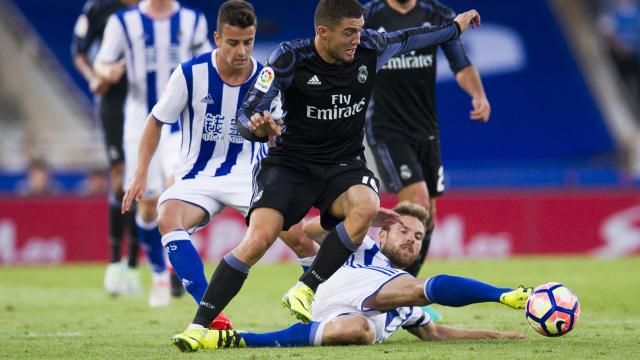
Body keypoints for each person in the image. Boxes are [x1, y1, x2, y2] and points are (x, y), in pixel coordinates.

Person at [170, 0, 482, 350]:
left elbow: (414, 37)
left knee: (366, 205)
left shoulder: (370, 48)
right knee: (259, 240)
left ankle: (306, 288)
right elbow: (248, 113)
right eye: (349, 32)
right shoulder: (290, 59)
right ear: (323, 32)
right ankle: (199, 327)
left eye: (360, 30)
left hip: (342, 165)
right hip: (292, 165)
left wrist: (454, 27)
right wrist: (256, 127)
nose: (356, 39)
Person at [122, 0, 318, 330]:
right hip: (198, 175)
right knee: (167, 216)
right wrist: (141, 172)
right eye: (233, 42)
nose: (242, 51)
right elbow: (155, 120)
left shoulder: (268, 78)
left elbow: (282, 133)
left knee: (298, 235)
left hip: (251, 175)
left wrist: (273, 133)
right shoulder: (189, 74)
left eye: (248, 42)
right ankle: (212, 316)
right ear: (217, 38)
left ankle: (327, 300)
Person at [175, 202, 528, 351]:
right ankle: (507, 294)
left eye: (418, 237)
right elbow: (309, 230)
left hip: (346, 317)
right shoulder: (358, 245)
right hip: (332, 286)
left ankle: (239, 340)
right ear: (385, 235)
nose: (411, 239)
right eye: (404, 230)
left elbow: (434, 332)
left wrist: (498, 335)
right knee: (419, 290)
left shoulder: (403, 298)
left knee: (359, 330)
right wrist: (367, 217)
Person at [94, 0, 212, 307]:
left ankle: (174, 269)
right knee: (146, 206)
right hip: (139, 123)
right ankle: (159, 271)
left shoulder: (192, 19)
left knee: (176, 192)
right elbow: (102, 61)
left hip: (180, 121)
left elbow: (206, 62)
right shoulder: (123, 22)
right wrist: (108, 71)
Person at [363, 0, 491, 278]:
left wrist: (478, 95)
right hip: (387, 127)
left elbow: (461, 64)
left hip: (426, 128)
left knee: (428, 214)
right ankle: (384, 283)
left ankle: (405, 289)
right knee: (417, 203)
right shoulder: (369, 15)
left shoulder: (437, 14)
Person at [71, 0, 143, 297]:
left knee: (144, 180)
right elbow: (78, 52)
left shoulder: (156, 11)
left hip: (146, 102)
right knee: (119, 177)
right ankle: (115, 263)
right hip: (114, 101)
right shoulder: (98, 8)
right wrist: (96, 77)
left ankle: (135, 264)